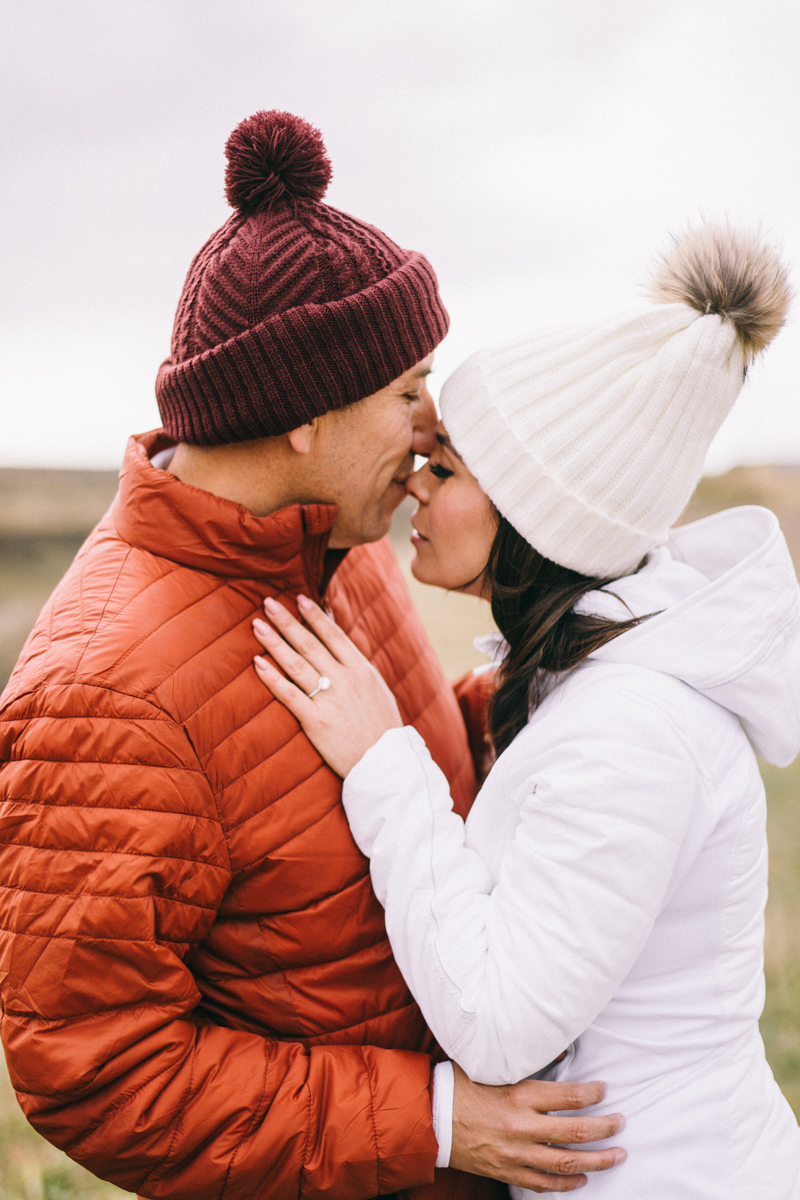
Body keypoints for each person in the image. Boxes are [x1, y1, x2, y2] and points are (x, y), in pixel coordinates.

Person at [0, 111, 625, 1200]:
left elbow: (411, 756)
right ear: (300, 418)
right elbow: (98, 1073)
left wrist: (572, 689)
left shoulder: (337, 541)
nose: (432, 431)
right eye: (404, 391)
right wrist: (428, 1122)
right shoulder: (101, 695)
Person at [252, 223, 800, 1197]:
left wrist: (384, 762)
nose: (415, 480)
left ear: (539, 520)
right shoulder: (602, 688)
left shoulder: (633, 732)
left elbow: (499, 1024)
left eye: (449, 469)